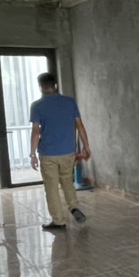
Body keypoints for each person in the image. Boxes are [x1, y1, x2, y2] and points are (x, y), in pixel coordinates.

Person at [29, 72, 90, 230]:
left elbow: (36, 131)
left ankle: (58, 220)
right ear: (55, 85)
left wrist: (32, 154)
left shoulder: (37, 106)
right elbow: (80, 125)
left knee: (51, 188)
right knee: (67, 181)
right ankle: (74, 207)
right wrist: (86, 146)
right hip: (68, 152)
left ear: (41, 87)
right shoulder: (70, 102)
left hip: (48, 154)